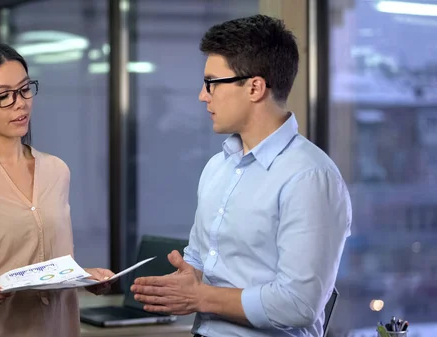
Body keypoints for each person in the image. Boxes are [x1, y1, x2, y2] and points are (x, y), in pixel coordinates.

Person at [130, 14, 352, 337]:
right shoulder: (217, 168)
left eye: (211, 83)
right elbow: (198, 262)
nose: (202, 96)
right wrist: (185, 278)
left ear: (255, 87)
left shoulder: (310, 177)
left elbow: (299, 304)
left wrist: (201, 296)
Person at [0, 42, 114, 337]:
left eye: (25, 89)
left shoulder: (57, 171)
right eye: (3, 96)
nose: (20, 103)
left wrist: (85, 277)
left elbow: (54, 263)